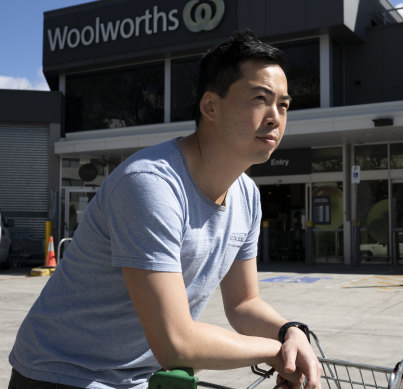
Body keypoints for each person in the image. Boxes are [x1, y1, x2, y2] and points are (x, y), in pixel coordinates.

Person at [9, 30, 322, 389]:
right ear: (210, 106)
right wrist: (273, 352)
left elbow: (243, 302)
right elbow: (176, 343)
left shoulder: (247, 196)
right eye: (259, 99)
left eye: (283, 104)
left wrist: (289, 332)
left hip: (139, 378)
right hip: (61, 374)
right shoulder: (150, 185)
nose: (275, 117)